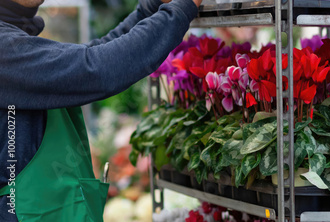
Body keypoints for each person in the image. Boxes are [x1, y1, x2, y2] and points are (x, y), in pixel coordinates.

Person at [0, 0, 202, 221]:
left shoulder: (12, 38)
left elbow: (94, 53)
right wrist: (181, 10)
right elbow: (94, 68)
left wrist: (151, 8)